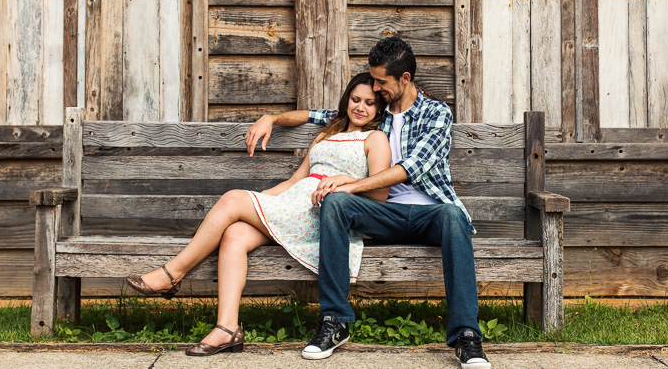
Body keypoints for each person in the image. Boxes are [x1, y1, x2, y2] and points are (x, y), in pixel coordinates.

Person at [245, 37, 490, 369]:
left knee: (452, 216)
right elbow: (316, 115)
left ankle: (467, 338)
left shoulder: (436, 114)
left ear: (404, 78)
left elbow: (409, 169)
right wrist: (272, 118)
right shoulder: (378, 110)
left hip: (430, 214)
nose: (375, 88)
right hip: (383, 213)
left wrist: (353, 183)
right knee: (336, 203)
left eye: (381, 82)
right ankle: (334, 321)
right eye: (373, 81)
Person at [125, 73, 391, 356]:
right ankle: (227, 330)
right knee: (234, 233)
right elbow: (293, 182)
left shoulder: (375, 139)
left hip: (323, 214)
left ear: (378, 109)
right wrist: (260, 202)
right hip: (293, 205)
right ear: (346, 100)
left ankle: (173, 273)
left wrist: (343, 181)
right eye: (356, 99)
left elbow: (378, 195)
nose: (361, 107)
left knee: (232, 199)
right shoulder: (326, 134)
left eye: (370, 103)